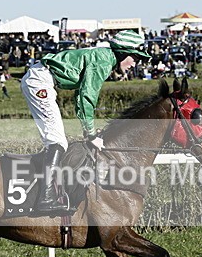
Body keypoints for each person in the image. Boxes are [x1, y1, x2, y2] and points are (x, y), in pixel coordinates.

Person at [20, 29, 150, 213]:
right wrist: (90, 134)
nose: (135, 65)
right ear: (123, 52)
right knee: (57, 142)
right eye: (134, 58)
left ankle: (46, 190)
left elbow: (80, 97)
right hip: (40, 81)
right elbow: (87, 97)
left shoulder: (104, 57)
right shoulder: (103, 61)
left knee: (56, 141)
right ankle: (45, 198)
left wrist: (88, 130)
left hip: (41, 78)